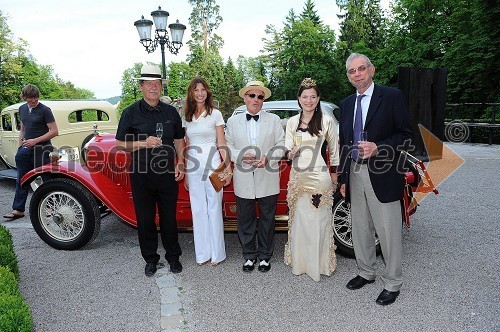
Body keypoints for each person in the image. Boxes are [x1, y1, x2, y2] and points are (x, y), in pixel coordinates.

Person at [338, 53, 414, 305]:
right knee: (360, 228)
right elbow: (344, 144)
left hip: (383, 173)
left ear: (372, 70)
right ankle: (366, 271)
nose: (357, 74)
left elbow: (407, 137)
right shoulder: (346, 103)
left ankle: (393, 282)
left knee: (388, 231)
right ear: (348, 76)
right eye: (352, 71)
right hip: (355, 173)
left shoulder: (391, 96)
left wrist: (378, 147)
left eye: (362, 69)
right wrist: (343, 178)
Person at [115, 64, 185, 277]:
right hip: (141, 174)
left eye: (157, 84)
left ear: (161, 87)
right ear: (141, 86)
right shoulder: (130, 112)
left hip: (166, 173)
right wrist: (143, 143)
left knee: (169, 219)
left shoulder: (171, 111)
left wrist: (181, 161)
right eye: (149, 84)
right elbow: (120, 144)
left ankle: (173, 257)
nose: (154, 87)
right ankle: (150, 259)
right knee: (145, 220)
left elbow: (179, 139)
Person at [283, 78, 340, 282]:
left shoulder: (326, 121)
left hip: (319, 175)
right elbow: (288, 149)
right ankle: (302, 264)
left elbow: (334, 151)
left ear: (318, 99)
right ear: (299, 99)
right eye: (305, 96)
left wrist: (334, 175)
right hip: (298, 176)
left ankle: (320, 265)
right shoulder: (291, 122)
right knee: (301, 219)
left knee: (319, 220)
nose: (309, 100)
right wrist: (291, 153)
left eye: (312, 97)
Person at [225, 80, 285, 273]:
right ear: (245, 97)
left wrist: (268, 158)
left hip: (267, 175)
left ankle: (265, 256)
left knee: (268, 218)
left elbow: (282, 144)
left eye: (260, 96)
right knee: (245, 219)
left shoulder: (274, 120)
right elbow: (227, 147)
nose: (256, 100)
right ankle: (249, 256)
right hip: (243, 177)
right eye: (252, 95)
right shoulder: (233, 121)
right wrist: (240, 155)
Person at [182, 77, 230, 266]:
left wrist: (227, 169)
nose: (200, 93)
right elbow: (186, 144)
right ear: (191, 93)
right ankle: (202, 254)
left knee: (214, 207)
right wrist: (185, 172)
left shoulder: (215, 114)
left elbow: (222, 143)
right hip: (193, 166)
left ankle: (217, 254)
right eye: (196, 90)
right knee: (198, 208)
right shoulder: (185, 116)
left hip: (213, 163)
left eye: (203, 90)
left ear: (207, 92)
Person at [3, 84, 58, 220]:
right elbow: (23, 128)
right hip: (26, 150)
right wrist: (20, 143)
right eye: (30, 98)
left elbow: (54, 131)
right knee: (21, 179)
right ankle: (18, 210)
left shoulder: (45, 110)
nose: (34, 101)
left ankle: (53, 208)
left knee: (47, 179)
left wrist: (35, 140)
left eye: (36, 98)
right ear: (25, 97)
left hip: (43, 148)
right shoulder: (22, 109)